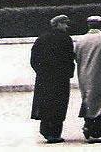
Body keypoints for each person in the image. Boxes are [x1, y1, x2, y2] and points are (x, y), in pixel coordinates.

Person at [30, 14, 75, 144]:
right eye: (64, 23)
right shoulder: (66, 39)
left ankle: (45, 129)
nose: (66, 26)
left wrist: (41, 72)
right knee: (59, 105)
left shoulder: (42, 38)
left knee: (45, 104)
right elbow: (70, 58)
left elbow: (34, 59)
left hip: (44, 78)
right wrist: (68, 73)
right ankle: (55, 133)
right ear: (58, 24)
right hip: (61, 78)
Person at [74, 15, 101, 142]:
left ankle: (88, 124)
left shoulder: (80, 39)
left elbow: (76, 57)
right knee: (100, 102)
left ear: (88, 25)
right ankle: (95, 132)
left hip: (83, 75)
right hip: (100, 74)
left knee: (87, 99)